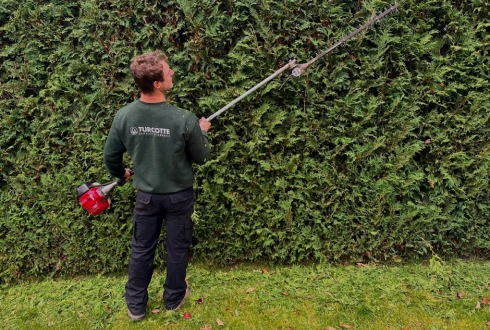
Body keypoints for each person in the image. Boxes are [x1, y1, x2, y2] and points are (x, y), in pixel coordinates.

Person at [103, 50, 211, 321]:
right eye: (168, 70)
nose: (172, 72)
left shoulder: (124, 116)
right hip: (178, 198)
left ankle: (136, 306)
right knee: (177, 248)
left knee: (142, 249)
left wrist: (121, 173)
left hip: (147, 198)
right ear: (157, 83)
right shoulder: (184, 118)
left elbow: (110, 157)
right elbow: (201, 157)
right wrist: (203, 133)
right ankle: (173, 299)